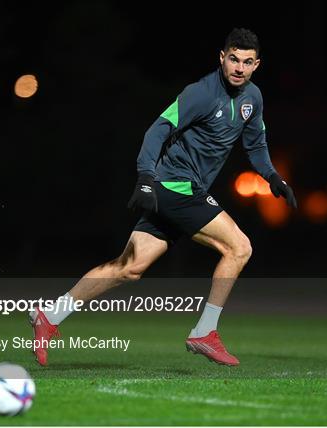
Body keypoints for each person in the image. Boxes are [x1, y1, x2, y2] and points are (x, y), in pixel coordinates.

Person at [29, 28, 297, 367]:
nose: (238, 68)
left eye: (246, 62)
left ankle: (49, 316)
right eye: (233, 59)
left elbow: (255, 145)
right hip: (176, 187)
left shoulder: (252, 99)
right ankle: (204, 332)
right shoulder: (201, 93)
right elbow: (159, 129)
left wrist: (272, 176)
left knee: (129, 268)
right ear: (221, 57)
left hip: (179, 191)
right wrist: (145, 175)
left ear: (256, 64)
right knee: (239, 247)